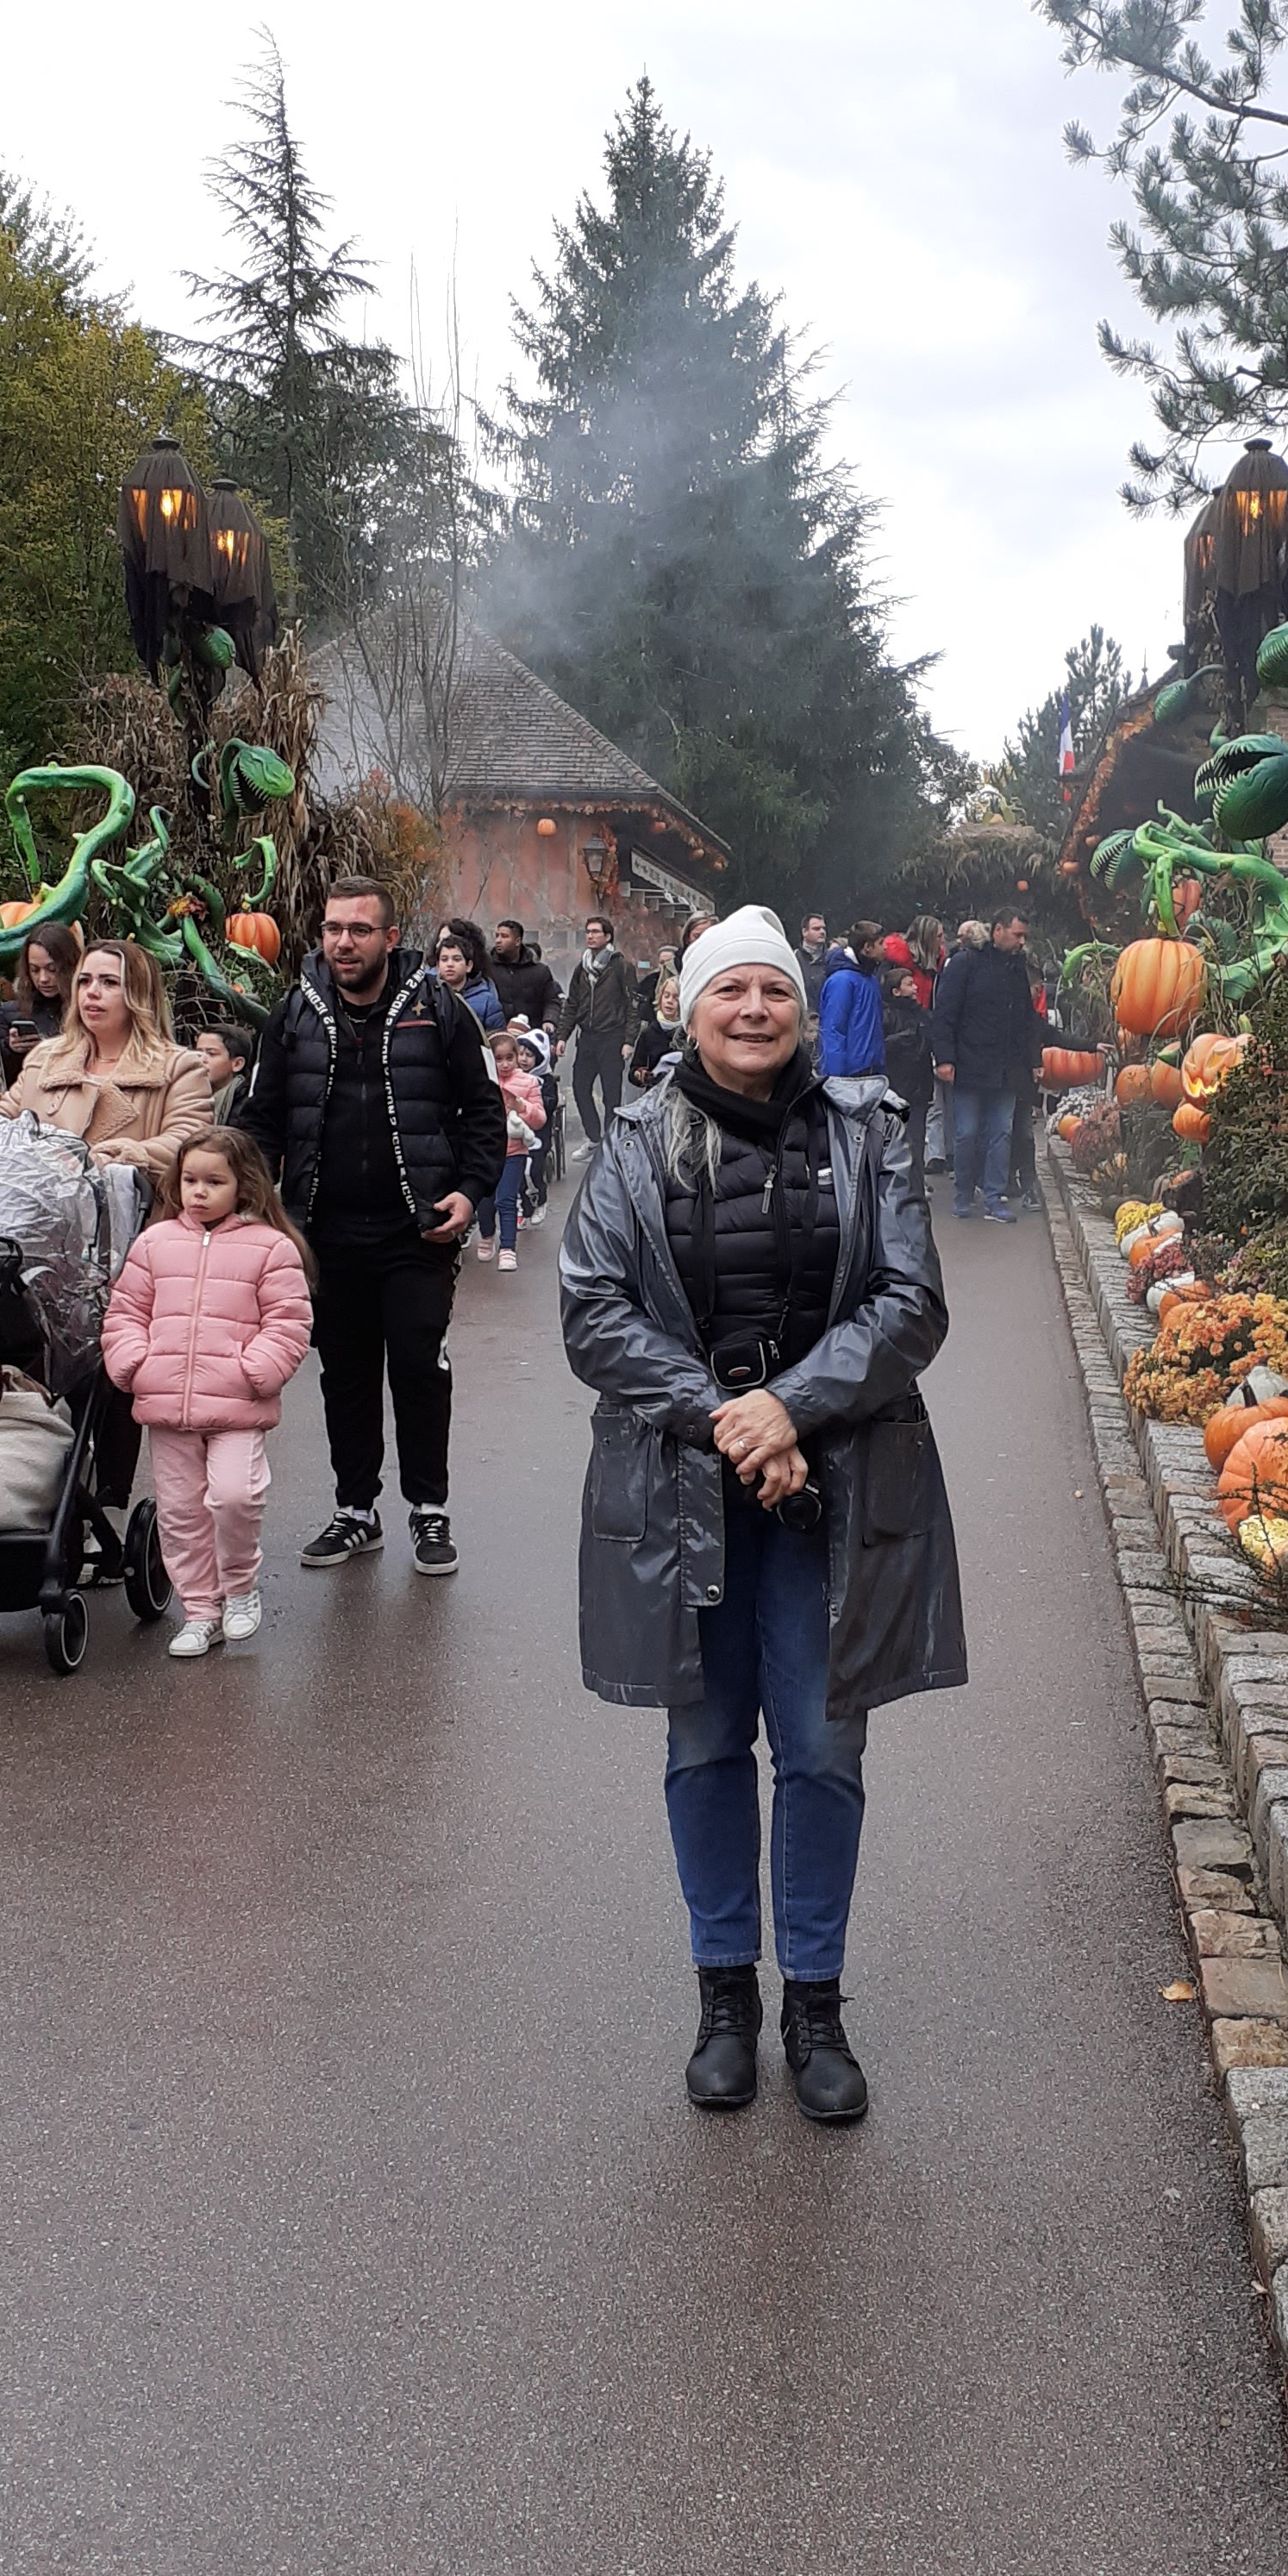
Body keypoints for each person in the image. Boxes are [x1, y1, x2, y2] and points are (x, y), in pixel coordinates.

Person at [559, 906, 966, 2124]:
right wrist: (729, 1420)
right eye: (729, 991)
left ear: (803, 1009)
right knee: (702, 1746)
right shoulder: (633, 1143)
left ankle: (816, 2004)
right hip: (684, 1492)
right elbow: (594, 1312)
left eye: (774, 992)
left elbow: (910, 1301)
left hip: (830, 1491)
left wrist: (789, 1408)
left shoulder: (869, 1132)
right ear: (689, 1009)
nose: (753, 1010)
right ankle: (725, 1995)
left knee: (825, 1750)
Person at [241, 877, 505, 1578]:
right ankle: (356, 1510)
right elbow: (259, 1119)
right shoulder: (293, 1014)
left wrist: (470, 1192)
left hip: (417, 1230)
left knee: (419, 1365)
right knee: (346, 1374)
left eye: (359, 930)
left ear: (390, 938)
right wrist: (257, 1205)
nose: (343, 943)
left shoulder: (440, 1009)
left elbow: (485, 1110)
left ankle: (429, 1507)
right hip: (324, 1232)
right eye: (333, 929)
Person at [102, 1127, 316, 1658]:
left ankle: (239, 1587)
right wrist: (135, 1364)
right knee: (181, 1515)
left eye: (214, 1182)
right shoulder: (154, 1243)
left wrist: (255, 1370)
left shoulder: (271, 1248)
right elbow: (126, 1312)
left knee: (235, 1496)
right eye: (190, 1180)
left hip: (237, 1405)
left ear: (244, 1184)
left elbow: (288, 1322)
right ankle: (201, 1611)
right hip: (167, 1407)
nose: (198, 1192)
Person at [0, 940, 216, 1183]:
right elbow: (1, 1131)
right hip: (33, 1216)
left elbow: (189, 1146)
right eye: (84, 981)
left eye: (109, 982)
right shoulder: (46, 1058)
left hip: (125, 1219)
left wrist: (115, 1158)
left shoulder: (179, 1068)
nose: (92, 992)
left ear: (140, 994)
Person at [929, 908, 1038, 1222]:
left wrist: (1033, 1059)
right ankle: (963, 1192)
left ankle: (994, 1196)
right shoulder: (965, 964)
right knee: (966, 1133)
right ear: (998, 931)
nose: (1021, 942)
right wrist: (945, 1058)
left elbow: (1026, 1019)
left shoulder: (1016, 968)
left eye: (1024, 936)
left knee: (1002, 1132)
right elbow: (945, 1013)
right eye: (1017, 935)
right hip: (970, 1064)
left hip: (1006, 1067)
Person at [557, 912, 635, 1148]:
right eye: (587, 932)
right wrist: (562, 1036)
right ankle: (594, 1137)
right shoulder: (582, 968)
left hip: (612, 1036)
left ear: (607, 936)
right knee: (580, 1087)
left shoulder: (621, 967)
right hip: (587, 1038)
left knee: (612, 1092)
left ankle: (610, 1142)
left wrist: (629, 1040)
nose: (590, 936)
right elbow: (572, 1004)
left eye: (595, 932)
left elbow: (632, 1005)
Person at [0, 918, 83, 1087]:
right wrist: (10, 1048)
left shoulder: (87, 1011)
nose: (43, 978)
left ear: (70, 966)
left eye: (52, 969)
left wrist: (47, 1050)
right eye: (35, 970)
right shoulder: (9, 1014)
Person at [480, 1026, 545, 1269]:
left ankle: (508, 1248)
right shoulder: (482, 1081)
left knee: (506, 1200)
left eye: (510, 1057)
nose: (505, 1064)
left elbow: (540, 1119)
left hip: (514, 1152)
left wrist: (522, 1107)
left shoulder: (528, 1082)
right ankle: (487, 1235)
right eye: (499, 1059)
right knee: (484, 1201)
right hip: (485, 1151)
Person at [879, 962, 936, 1158]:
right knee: (896, 1139)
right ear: (896, 991)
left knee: (916, 1138)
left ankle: (916, 1177)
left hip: (919, 1083)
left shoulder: (921, 1013)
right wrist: (908, 1037)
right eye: (909, 984)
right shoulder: (886, 1015)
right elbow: (883, 1046)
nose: (915, 988)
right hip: (897, 1083)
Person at [816, 924, 885, 1077]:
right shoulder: (842, 981)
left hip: (871, 1067)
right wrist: (834, 1077)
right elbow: (833, 1030)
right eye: (881, 943)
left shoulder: (870, 979)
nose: (885, 947)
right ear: (867, 947)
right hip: (851, 1072)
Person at [490, 921, 559, 1031]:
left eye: (504, 936)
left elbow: (551, 1000)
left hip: (531, 1033)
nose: (498, 940)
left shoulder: (540, 971)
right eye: (497, 936)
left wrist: (549, 1020)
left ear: (517, 941)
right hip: (497, 1033)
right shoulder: (487, 969)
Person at [435, 918, 502, 1031]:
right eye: (439, 940)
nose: (438, 945)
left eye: (456, 959)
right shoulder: (426, 991)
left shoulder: (487, 998)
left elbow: (497, 1036)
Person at [629, 974, 681, 1087]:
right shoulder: (649, 1033)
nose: (669, 1001)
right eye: (666, 996)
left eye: (676, 998)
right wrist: (639, 1074)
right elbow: (633, 1071)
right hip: (655, 1093)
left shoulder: (690, 1033)